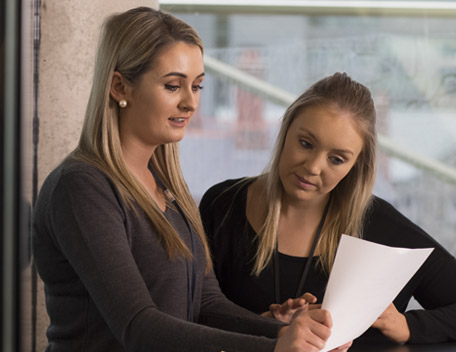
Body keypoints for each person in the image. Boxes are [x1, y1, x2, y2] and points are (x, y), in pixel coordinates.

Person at [32, 6, 349, 352]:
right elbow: (138, 326)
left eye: (197, 86)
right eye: (173, 86)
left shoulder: (167, 189)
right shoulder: (82, 188)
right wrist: (273, 347)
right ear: (120, 86)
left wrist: (286, 333)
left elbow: (205, 304)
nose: (190, 103)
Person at [199, 72, 456, 345]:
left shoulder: (381, 225)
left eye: (336, 159)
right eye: (305, 144)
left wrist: (407, 326)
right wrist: (268, 326)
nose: (312, 167)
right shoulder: (222, 205)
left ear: (355, 165)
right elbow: (191, 311)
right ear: (286, 130)